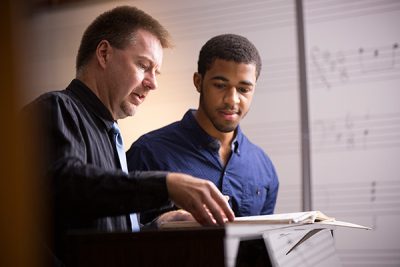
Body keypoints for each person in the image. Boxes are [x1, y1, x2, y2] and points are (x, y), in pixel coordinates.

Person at [23, 6, 234, 265]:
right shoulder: (56, 108)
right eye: (144, 66)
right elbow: (66, 184)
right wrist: (167, 184)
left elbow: (98, 235)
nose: (153, 83)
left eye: (156, 72)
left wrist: (157, 226)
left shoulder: (109, 131)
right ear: (103, 53)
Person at [126, 34, 279, 225]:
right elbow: (118, 241)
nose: (232, 99)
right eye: (220, 85)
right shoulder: (147, 153)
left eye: (243, 89)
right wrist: (160, 225)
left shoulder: (264, 168)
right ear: (198, 82)